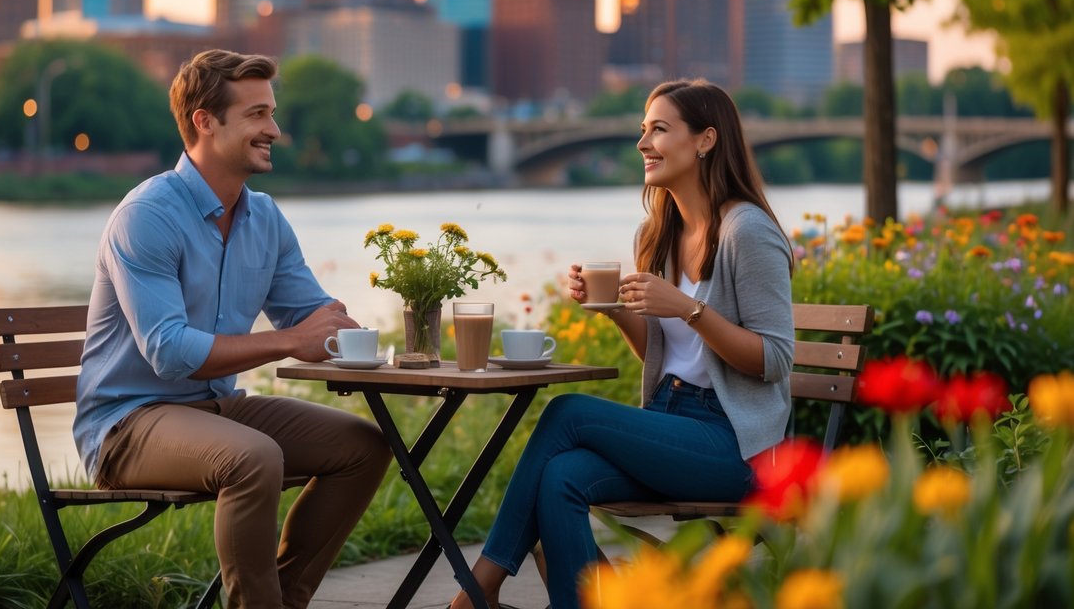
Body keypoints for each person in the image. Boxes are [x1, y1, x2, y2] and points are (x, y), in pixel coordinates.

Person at [449, 79, 795, 609]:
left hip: (735, 446)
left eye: (659, 129)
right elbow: (661, 355)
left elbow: (774, 361)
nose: (642, 143)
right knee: (561, 477)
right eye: (642, 130)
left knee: (566, 412)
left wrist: (688, 308)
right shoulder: (657, 232)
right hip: (671, 421)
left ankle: (476, 594)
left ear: (705, 140)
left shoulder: (746, 231)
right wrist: (612, 308)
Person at [73, 49, 392, 609]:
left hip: (216, 412)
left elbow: (310, 316)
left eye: (272, 113)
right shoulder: (146, 216)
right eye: (257, 115)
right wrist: (292, 342)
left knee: (363, 446)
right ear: (205, 121)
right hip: (127, 425)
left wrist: (363, 336)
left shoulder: (264, 217)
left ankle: (281, 600)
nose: (274, 129)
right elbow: (170, 352)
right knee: (253, 458)